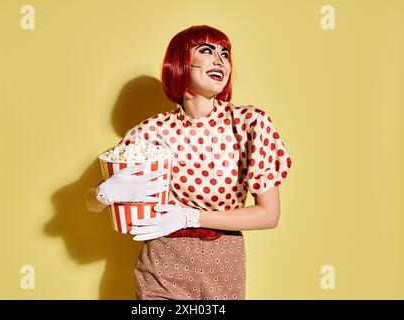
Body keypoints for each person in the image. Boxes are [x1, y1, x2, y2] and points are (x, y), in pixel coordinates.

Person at [85, 25, 292, 300]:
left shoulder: (249, 124)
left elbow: (269, 215)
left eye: (225, 54)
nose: (220, 60)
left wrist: (189, 216)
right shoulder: (151, 131)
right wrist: (105, 193)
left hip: (223, 265)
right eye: (207, 50)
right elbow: (92, 205)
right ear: (181, 62)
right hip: (161, 265)